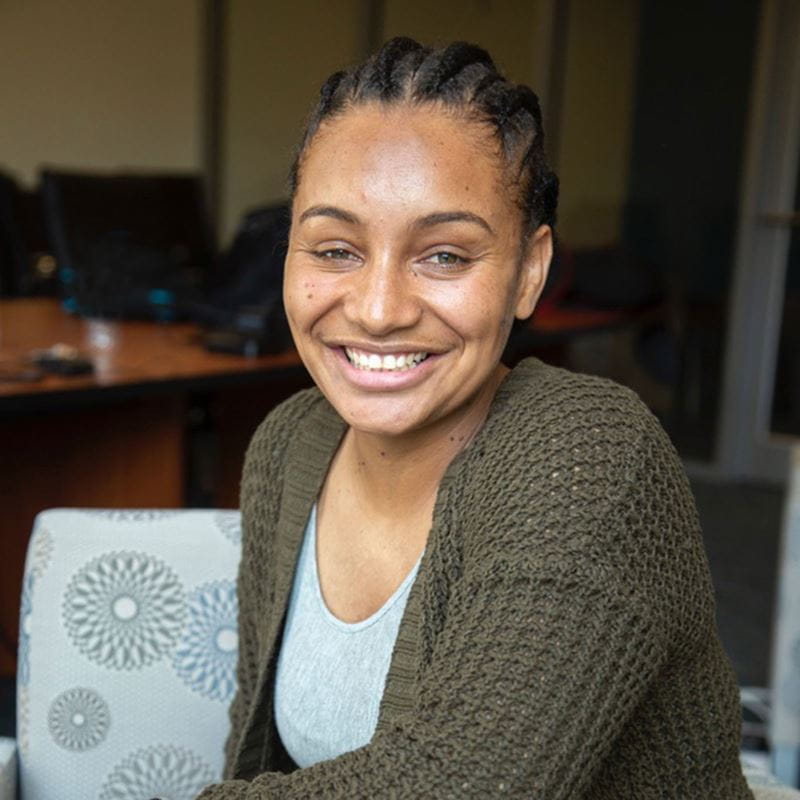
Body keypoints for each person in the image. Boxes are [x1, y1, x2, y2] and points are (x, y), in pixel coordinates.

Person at [198, 37, 753, 799]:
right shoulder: (287, 445)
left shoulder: (588, 453)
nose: (379, 309)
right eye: (334, 249)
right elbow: (260, 760)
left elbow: (469, 783)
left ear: (529, 271)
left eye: (446, 256)